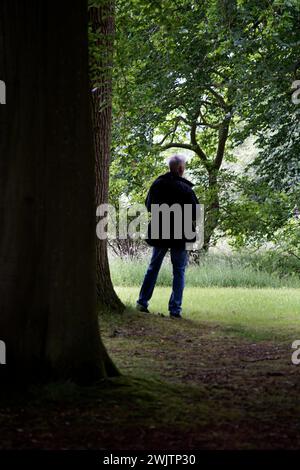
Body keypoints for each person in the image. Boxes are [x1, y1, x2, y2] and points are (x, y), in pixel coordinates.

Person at [136, 155, 199, 319]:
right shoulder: (186, 189)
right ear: (180, 168)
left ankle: (142, 302)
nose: (184, 168)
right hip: (181, 233)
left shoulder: (157, 184)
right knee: (179, 271)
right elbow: (195, 212)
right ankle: (175, 309)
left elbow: (149, 206)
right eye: (184, 166)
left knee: (153, 267)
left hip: (160, 231)